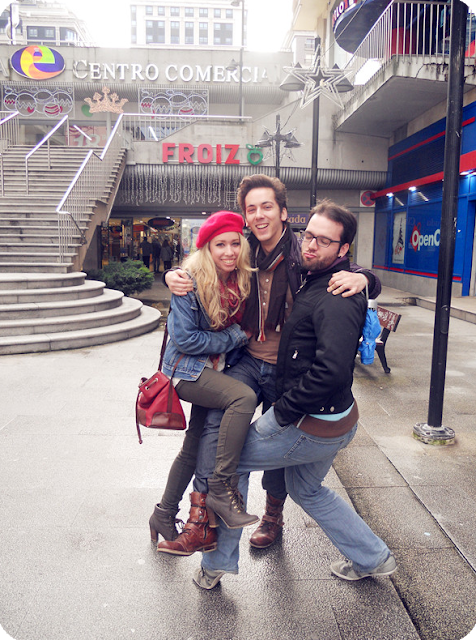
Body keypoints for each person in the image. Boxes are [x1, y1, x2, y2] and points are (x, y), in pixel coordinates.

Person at [162, 174, 381, 554]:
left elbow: (344, 266)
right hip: (246, 358)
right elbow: (204, 265)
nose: (259, 215)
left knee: (276, 444)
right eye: (251, 209)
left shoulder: (303, 252)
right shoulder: (242, 251)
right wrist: (173, 275)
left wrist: (365, 278)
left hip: (285, 367)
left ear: (283, 212)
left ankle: (272, 516)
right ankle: (201, 522)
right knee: (215, 431)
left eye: (267, 206)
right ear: (246, 216)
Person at [192, 199, 396, 590]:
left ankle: (216, 564)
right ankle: (374, 557)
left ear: (343, 249)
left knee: (230, 461)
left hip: (312, 423)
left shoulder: (337, 296)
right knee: (307, 489)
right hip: (336, 419)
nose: (311, 245)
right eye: (309, 235)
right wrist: (367, 278)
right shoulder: (315, 273)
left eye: (324, 241)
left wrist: (281, 413)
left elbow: (331, 371)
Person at [150, 210, 261, 557]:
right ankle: (220, 488)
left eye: (234, 244)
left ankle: (163, 513)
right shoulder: (189, 282)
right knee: (243, 398)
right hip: (186, 371)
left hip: (213, 370)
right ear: (207, 249)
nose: (228, 252)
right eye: (220, 245)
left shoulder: (241, 279)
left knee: (193, 446)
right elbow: (185, 340)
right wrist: (236, 336)